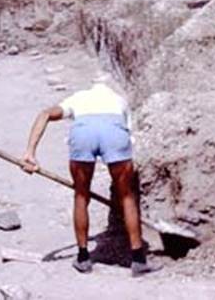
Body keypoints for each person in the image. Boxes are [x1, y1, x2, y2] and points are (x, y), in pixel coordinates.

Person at [20, 76, 158, 277]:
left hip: (84, 133)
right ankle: (138, 260)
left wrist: (30, 153)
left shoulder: (79, 98)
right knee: (127, 197)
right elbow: (130, 135)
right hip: (114, 132)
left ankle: (84, 258)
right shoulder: (120, 100)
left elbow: (45, 114)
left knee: (81, 196)